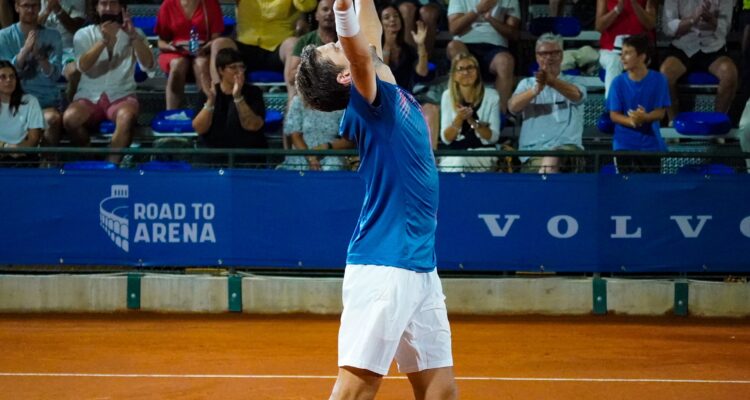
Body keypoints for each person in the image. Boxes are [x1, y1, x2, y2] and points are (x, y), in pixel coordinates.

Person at [295, 0, 457, 398]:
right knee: (356, 389)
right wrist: (341, 12)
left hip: (418, 264)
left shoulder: (381, 84)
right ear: (347, 76)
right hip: (384, 265)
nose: (340, 40)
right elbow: (356, 41)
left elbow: (367, 30)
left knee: (440, 390)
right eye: (335, 47)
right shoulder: (369, 101)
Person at [62, 0, 154, 163]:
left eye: (114, 3)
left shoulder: (135, 32)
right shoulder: (83, 34)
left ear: (122, 7)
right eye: (104, 4)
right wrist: (102, 42)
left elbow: (148, 65)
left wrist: (133, 37)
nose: (109, 8)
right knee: (70, 118)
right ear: (96, 8)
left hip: (122, 94)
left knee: (126, 117)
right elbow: (82, 66)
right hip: (89, 95)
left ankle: (112, 166)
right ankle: (90, 158)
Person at [508, 33, 585, 174]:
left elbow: (577, 96)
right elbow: (512, 107)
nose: (548, 57)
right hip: (533, 153)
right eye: (543, 54)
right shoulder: (526, 84)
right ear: (537, 57)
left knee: (552, 158)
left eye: (554, 53)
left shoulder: (574, 81)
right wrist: (534, 91)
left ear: (561, 56)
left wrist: (552, 81)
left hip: (567, 151)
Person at [211, 0, 317, 95]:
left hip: (278, 48)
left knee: (293, 44)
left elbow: (308, 6)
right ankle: (219, 100)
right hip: (246, 46)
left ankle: (293, 104)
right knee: (219, 44)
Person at [659, 0, 736, 122]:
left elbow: (725, 27)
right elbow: (668, 28)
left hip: (713, 47)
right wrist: (692, 19)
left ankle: (717, 122)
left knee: (730, 74)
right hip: (684, 46)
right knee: (665, 73)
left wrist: (711, 19)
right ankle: (673, 122)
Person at [0, 0, 62, 149]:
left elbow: (55, 76)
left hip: (45, 102)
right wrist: (25, 51)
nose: (30, 9)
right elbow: (5, 74)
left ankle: (47, 165)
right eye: (26, 5)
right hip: (14, 102)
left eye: (34, 5)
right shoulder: (4, 36)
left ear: (40, 8)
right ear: (16, 7)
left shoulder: (54, 36)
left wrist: (40, 57)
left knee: (53, 119)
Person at [192, 48, 267, 167]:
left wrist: (238, 97)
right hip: (212, 158)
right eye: (233, 67)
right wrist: (211, 101)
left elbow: (253, 125)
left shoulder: (254, 92)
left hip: (246, 159)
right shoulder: (208, 93)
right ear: (221, 70)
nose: (239, 71)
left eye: (242, 67)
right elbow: (199, 128)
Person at [446, 0, 521, 114]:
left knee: (506, 61)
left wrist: (490, 19)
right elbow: (454, 28)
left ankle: (499, 115)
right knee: (453, 47)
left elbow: (513, 34)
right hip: (465, 43)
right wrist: (478, 10)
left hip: (495, 46)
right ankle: (463, 109)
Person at [608, 33, 669, 173]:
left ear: (642, 56)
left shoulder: (660, 80)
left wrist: (644, 117)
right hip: (623, 144)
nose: (622, 58)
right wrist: (632, 121)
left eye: (627, 53)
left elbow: (660, 112)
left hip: (651, 144)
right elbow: (614, 115)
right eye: (622, 53)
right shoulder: (617, 83)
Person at [155, 0, 224, 110]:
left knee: (202, 64)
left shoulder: (210, 3)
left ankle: (207, 111)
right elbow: (161, 42)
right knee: (178, 64)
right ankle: (172, 112)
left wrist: (204, 48)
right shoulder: (168, 4)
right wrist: (171, 47)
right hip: (175, 52)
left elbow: (216, 39)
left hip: (204, 51)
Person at [439, 53, 500, 172]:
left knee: (461, 161)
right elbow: (446, 138)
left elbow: (493, 137)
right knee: (454, 163)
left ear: (477, 72)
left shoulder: (492, 96)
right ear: (455, 75)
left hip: (483, 153)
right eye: (461, 69)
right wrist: (459, 118)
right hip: (454, 154)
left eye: (470, 68)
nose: (466, 72)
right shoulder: (447, 96)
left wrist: (472, 121)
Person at [595, 0, 656, 99]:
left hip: (638, 49)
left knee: (639, 62)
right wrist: (617, 9)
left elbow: (650, 24)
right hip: (610, 50)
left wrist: (635, 4)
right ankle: (613, 107)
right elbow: (599, 26)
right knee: (614, 61)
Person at [284, 0, 337, 106]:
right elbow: (291, 77)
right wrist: (317, 67)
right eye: (325, 9)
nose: (329, 13)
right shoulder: (305, 41)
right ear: (316, 15)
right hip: (312, 92)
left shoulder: (346, 41)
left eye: (334, 10)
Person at [278, 94, 346, 170]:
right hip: (302, 153)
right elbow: (295, 135)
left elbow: (348, 141)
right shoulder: (298, 101)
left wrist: (327, 146)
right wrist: (310, 157)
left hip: (331, 154)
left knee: (333, 166)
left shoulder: (341, 105)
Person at [38, 0, 86, 102]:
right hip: (42, 51)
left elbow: (75, 28)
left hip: (68, 51)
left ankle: (70, 104)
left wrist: (57, 9)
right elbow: (32, 28)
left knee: (74, 71)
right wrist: (47, 10)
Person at [0, 60, 43, 164]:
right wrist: (5, 147)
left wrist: (18, 149)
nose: (9, 80)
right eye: (3, 77)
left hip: (23, 157)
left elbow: (34, 139)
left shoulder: (30, 101)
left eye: (12, 76)